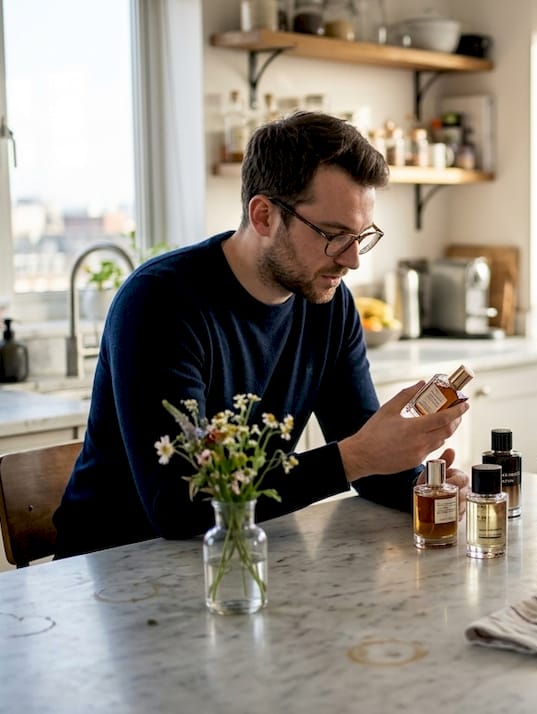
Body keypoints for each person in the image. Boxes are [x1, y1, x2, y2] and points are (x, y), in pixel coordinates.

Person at [54, 111, 469, 558]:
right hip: (112, 571)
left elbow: (364, 455)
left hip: (234, 558)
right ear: (264, 215)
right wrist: (357, 456)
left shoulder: (328, 304)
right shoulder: (159, 303)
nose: (352, 261)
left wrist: (420, 484)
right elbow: (178, 507)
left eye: (361, 236)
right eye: (333, 235)